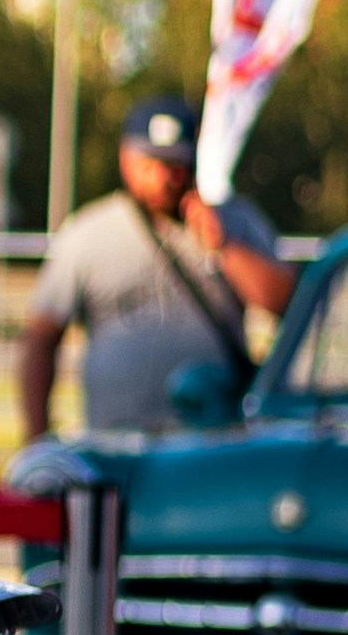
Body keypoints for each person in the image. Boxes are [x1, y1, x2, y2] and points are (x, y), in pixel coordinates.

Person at [16, 94, 290, 443]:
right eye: (150, 163)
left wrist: (225, 246)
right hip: (115, 445)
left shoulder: (234, 220)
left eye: (175, 165)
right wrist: (36, 439)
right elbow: (41, 336)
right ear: (125, 158)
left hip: (212, 443)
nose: (163, 177)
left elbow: (285, 304)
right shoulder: (86, 233)